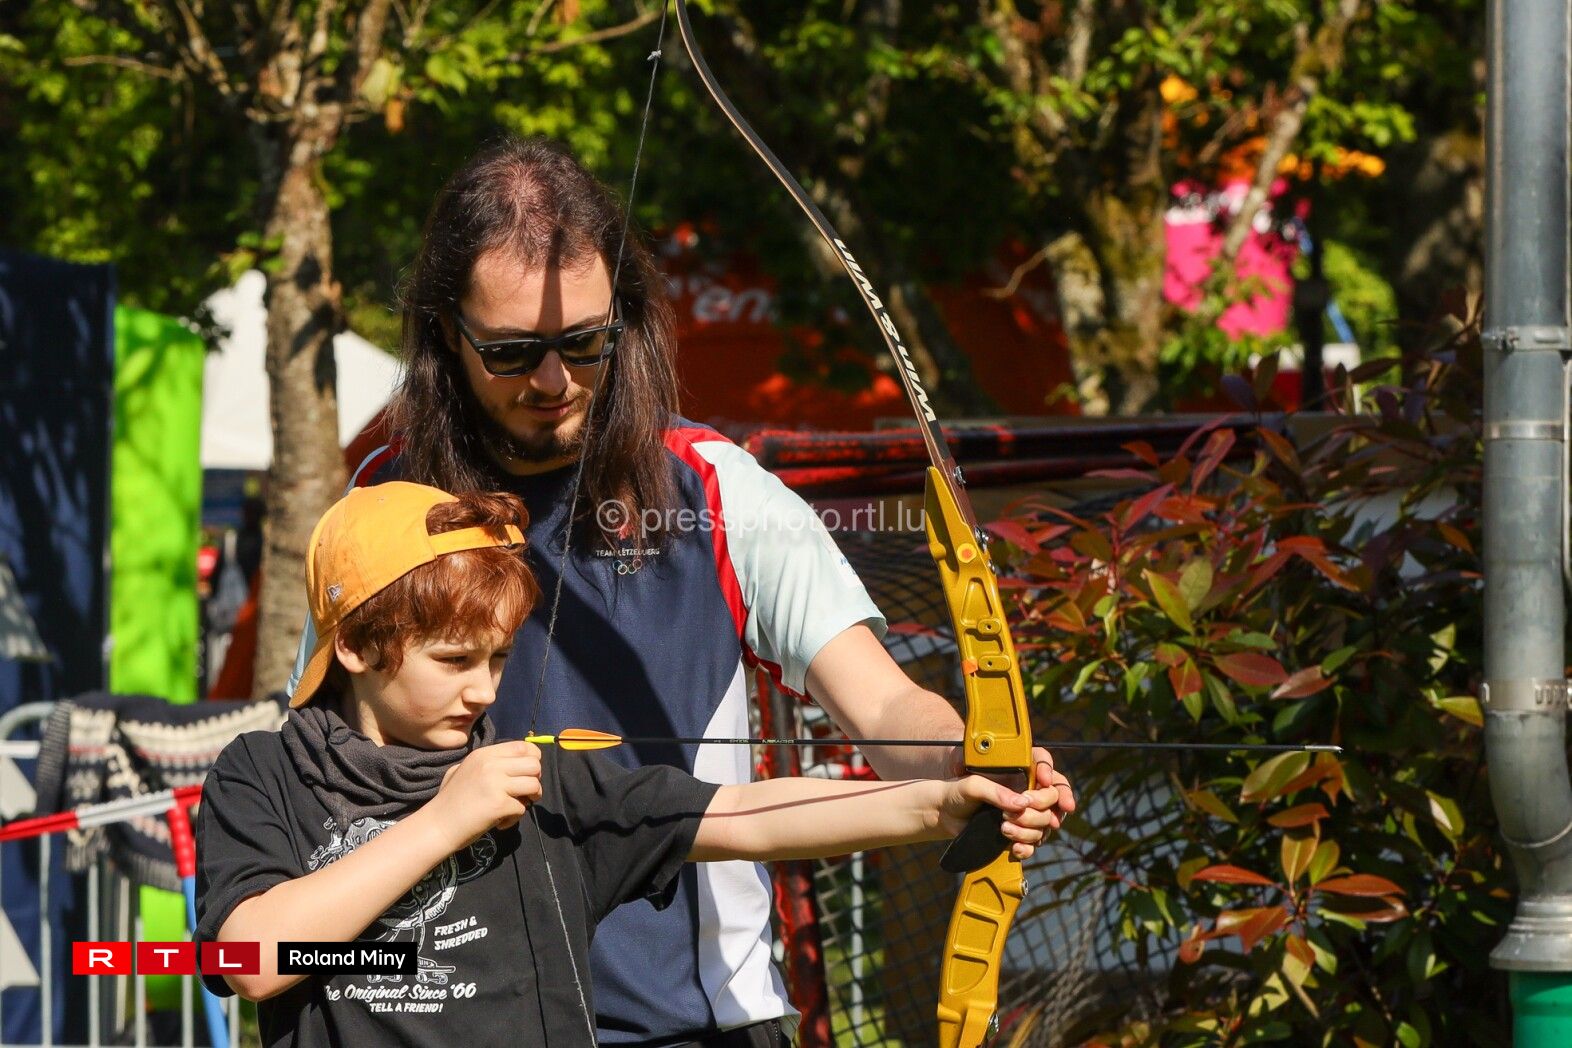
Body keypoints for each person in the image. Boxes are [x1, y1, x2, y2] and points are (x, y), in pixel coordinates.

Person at [293, 135, 1075, 1045]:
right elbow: (320, 770)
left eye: (584, 342)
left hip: (697, 1025)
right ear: (444, 333)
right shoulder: (382, 505)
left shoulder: (713, 487)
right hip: (459, 1024)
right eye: (511, 352)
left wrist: (969, 759)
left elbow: (885, 704)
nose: (553, 380)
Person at [202, 482, 1048, 1048]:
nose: (484, 690)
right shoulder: (267, 772)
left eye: (498, 660)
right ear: (354, 645)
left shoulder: (534, 783)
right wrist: (443, 823)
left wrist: (937, 803)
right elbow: (247, 960)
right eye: (454, 661)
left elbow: (739, 816)